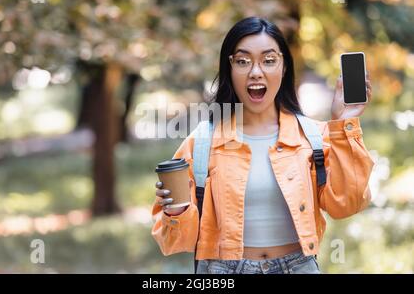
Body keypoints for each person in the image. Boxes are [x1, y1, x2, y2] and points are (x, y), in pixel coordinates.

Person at [151, 17, 374, 274]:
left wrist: (344, 125)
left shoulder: (313, 136)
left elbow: (347, 204)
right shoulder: (202, 143)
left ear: (284, 67)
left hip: (299, 267)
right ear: (230, 68)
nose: (256, 72)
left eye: (269, 60)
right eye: (243, 61)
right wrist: (176, 212)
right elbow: (175, 242)